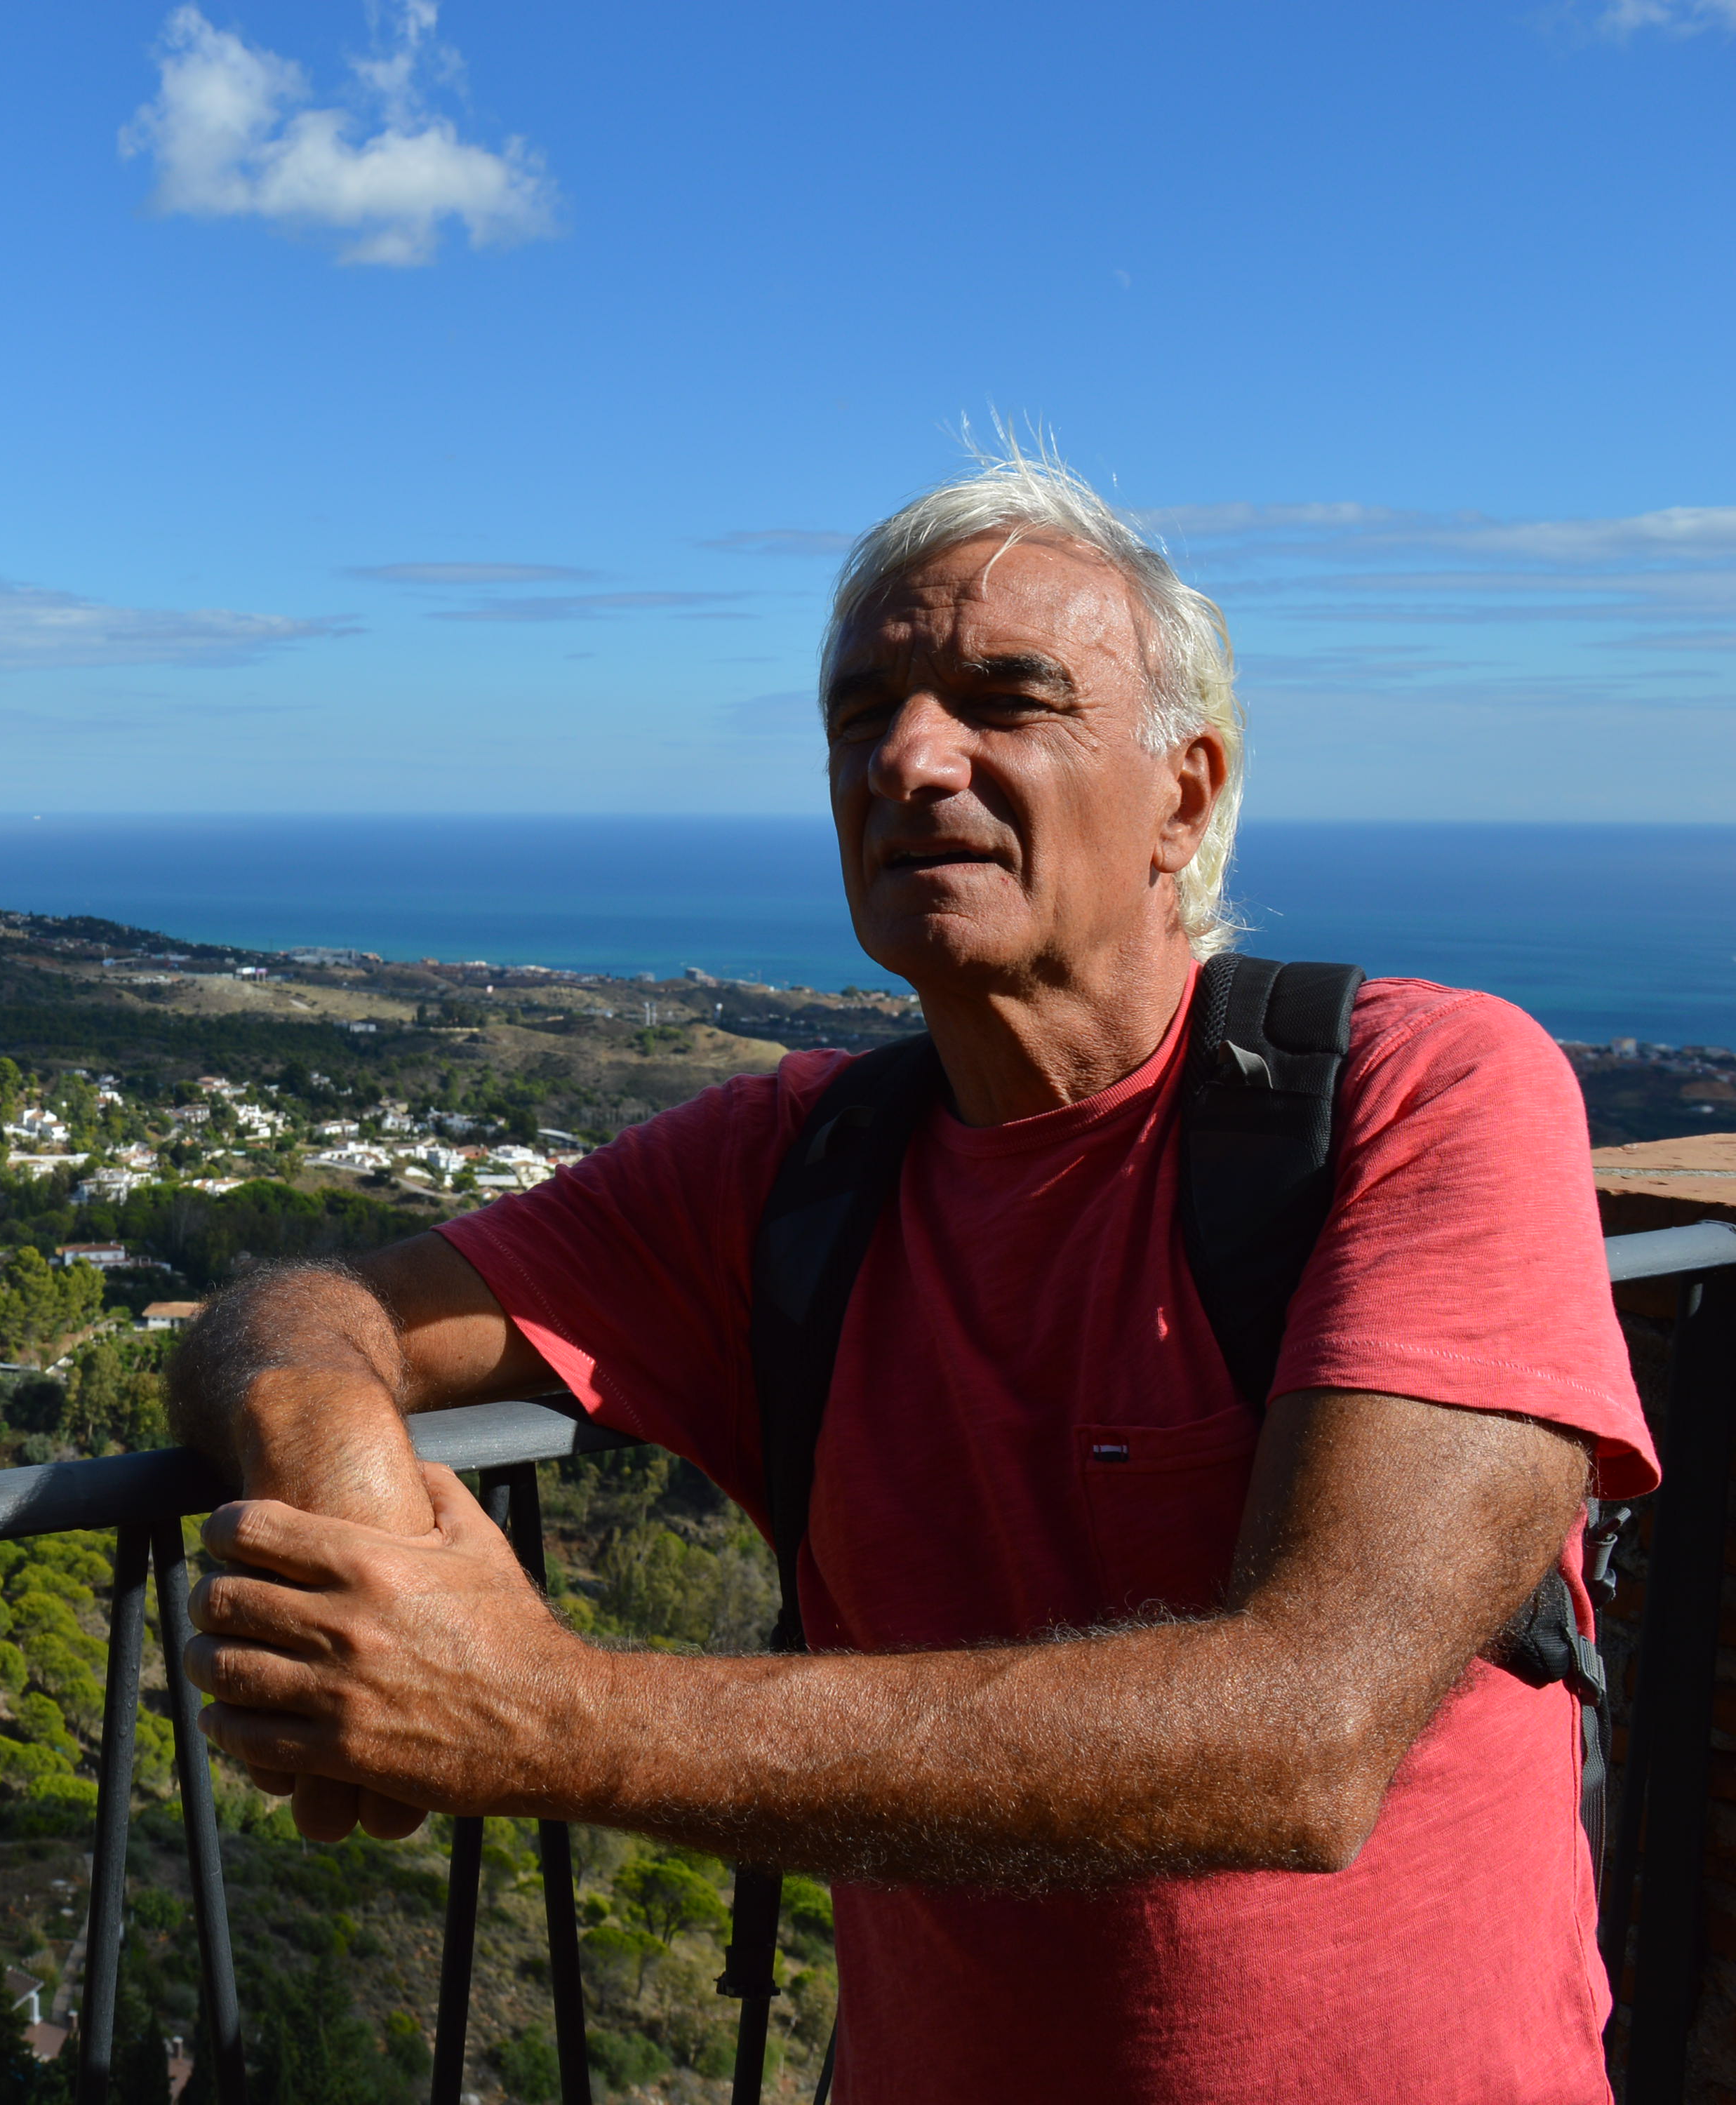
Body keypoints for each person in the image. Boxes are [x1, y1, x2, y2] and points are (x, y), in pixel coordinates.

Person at [168, 448, 1657, 2100]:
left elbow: (1308, 1735)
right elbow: (306, 1309)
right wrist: (332, 1454)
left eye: (1005, 699)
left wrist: (539, 1714)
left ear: (1183, 796)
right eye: (862, 713)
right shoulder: (789, 1171)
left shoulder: (1423, 1092)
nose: (907, 757)